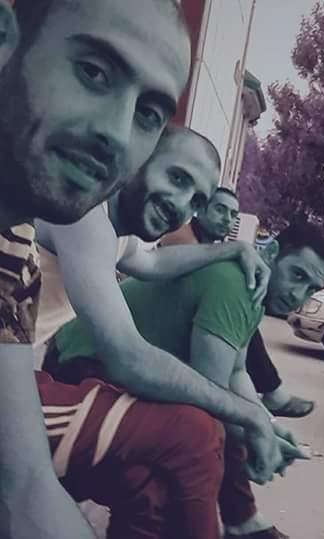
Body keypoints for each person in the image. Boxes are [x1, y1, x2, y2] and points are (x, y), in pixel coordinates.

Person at [34, 124, 294, 538]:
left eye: (197, 201)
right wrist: (252, 415)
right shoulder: (86, 215)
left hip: (30, 375)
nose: (181, 205)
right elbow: (129, 359)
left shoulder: (116, 232)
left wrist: (232, 248)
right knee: (195, 431)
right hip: (21, 387)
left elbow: (152, 263)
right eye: (177, 178)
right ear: (139, 156)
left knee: (146, 487)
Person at [0, 0, 191, 536]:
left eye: (148, 114)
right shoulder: (78, 227)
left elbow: (24, 484)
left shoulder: (15, 246)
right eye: (94, 72)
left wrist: (230, 253)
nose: (117, 134)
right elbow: (128, 356)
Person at [48, 222, 324, 539]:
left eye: (311, 288)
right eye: (297, 275)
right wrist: (258, 434)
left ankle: (240, 520)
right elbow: (212, 393)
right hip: (78, 366)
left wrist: (268, 426)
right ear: (271, 253)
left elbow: (237, 373)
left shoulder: (254, 289)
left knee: (191, 452)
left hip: (114, 369)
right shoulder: (236, 283)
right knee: (176, 465)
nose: (298, 294)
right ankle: (240, 520)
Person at [162, 190, 315, 417]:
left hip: (187, 318)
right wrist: (238, 250)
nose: (227, 219)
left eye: (233, 214)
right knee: (237, 314)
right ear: (200, 210)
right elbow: (208, 280)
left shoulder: (210, 243)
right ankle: (271, 393)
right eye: (220, 209)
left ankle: (269, 396)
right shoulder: (181, 237)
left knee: (242, 321)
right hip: (160, 324)